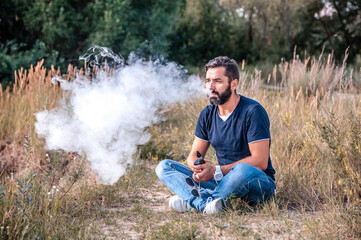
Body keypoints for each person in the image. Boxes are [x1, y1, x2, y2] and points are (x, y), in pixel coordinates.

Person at [155, 56, 276, 214]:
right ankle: (207, 204)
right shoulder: (207, 114)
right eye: (207, 81)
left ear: (234, 84)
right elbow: (193, 154)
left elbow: (260, 162)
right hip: (223, 182)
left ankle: (195, 201)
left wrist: (216, 171)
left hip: (257, 184)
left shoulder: (253, 111)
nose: (210, 86)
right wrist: (197, 167)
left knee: (242, 170)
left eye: (217, 81)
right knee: (164, 167)